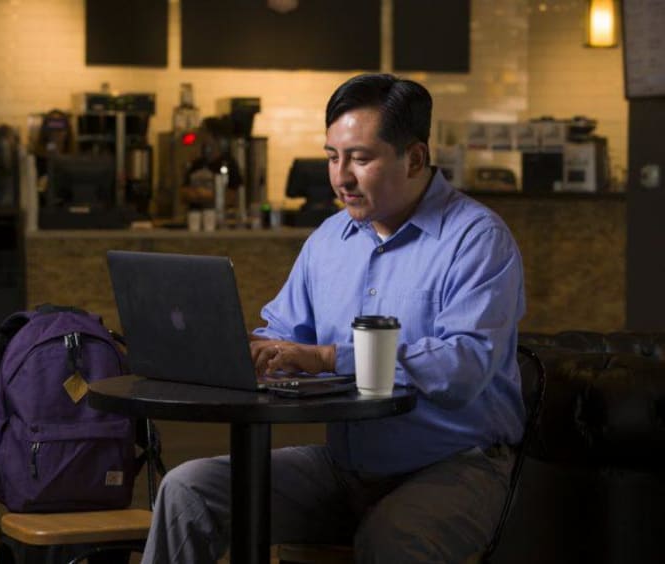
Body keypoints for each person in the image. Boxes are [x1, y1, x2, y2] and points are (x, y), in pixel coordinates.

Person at [141, 73, 526, 564]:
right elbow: (283, 332)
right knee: (188, 491)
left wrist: (327, 357)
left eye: (360, 159)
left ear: (414, 158)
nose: (340, 177)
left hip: (456, 467)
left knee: (392, 541)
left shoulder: (476, 239)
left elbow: (464, 367)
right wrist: (257, 353)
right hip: (345, 469)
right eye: (331, 157)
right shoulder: (328, 240)